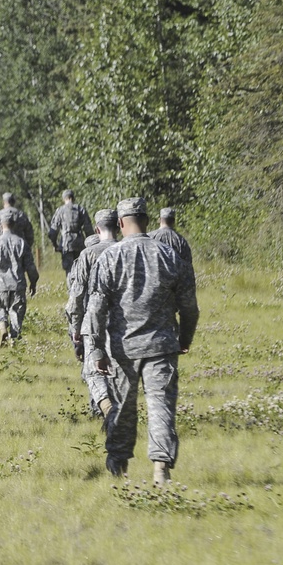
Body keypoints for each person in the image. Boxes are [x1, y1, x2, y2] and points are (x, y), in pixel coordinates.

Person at [83, 197, 198, 484]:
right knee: (161, 406)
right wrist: (185, 337)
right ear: (147, 221)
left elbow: (95, 308)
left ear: (121, 224)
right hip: (162, 345)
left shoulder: (108, 257)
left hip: (124, 348)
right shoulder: (170, 255)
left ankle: (119, 466)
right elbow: (189, 306)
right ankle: (161, 467)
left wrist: (96, 349)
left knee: (123, 407)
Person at [65, 209, 118, 418]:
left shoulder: (89, 254)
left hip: (93, 320)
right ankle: (109, 410)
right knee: (116, 369)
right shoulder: (127, 249)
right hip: (124, 322)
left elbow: (77, 295)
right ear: (119, 226)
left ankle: (106, 408)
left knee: (92, 371)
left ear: (97, 229)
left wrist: (75, 327)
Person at [0, 209, 38, 346]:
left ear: (1, 226)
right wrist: (33, 281)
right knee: (16, 312)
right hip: (17, 284)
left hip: (0, 285)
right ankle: (14, 339)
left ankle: (2, 327)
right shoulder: (21, 243)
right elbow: (30, 266)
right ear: (13, 225)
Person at [48, 189, 94, 278]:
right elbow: (88, 229)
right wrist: (91, 244)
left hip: (66, 244)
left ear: (64, 199)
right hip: (80, 242)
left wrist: (55, 244)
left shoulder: (60, 211)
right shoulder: (81, 209)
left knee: (69, 270)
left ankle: (72, 289)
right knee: (81, 268)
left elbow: (53, 231)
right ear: (73, 198)